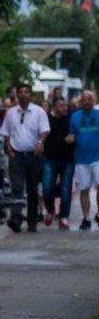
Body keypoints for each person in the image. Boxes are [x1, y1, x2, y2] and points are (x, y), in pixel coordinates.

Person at [1, 84, 49, 233]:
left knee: (32, 189)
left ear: (31, 95)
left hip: (33, 155)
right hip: (16, 155)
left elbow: (44, 131)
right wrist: (8, 150)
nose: (23, 95)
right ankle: (15, 219)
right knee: (17, 187)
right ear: (17, 95)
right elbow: (6, 133)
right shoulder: (11, 113)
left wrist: (40, 143)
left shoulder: (39, 112)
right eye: (20, 92)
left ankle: (32, 220)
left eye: (26, 92)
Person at [66, 90, 99, 231]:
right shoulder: (74, 117)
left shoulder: (98, 115)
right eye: (84, 99)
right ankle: (86, 218)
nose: (87, 101)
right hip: (81, 159)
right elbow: (71, 134)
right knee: (84, 189)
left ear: (94, 100)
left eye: (89, 99)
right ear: (80, 101)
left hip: (97, 157)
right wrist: (69, 139)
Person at [43, 97, 73, 230]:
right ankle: (50, 209)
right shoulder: (47, 119)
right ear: (54, 107)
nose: (64, 108)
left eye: (65, 106)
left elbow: (77, 133)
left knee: (66, 189)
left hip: (67, 158)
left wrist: (73, 138)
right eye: (61, 105)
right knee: (46, 187)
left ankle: (64, 216)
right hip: (50, 158)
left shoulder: (70, 119)